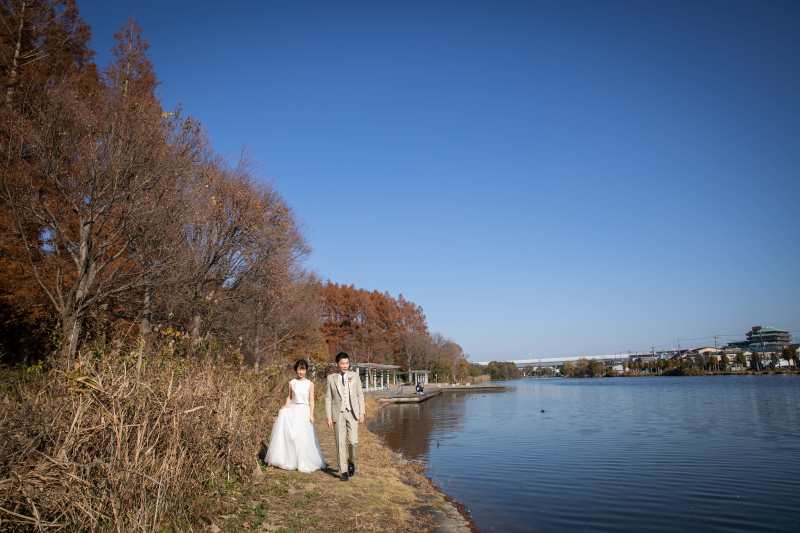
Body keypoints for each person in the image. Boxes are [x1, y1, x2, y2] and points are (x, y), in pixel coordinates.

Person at [266, 359, 325, 473]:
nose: (301, 372)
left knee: (302, 437)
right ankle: (291, 460)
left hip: (304, 411)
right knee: (292, 436)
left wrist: (311, 414)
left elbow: (312, 400)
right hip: (293, 409)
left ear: (306, 370)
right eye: (299, 369)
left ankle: (303, 461)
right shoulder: (291, 382)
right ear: (296, 370)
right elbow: (289, 397)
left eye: (303, 369)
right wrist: (285, 407)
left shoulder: (310, 384)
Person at [324, 352, 365, 481]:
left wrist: (362, 412)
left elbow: (360, 395)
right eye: (342, 363)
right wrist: (329, 416)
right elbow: (328, 398)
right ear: (337, 364)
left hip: (352, 413)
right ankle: (343, 471)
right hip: (338, 413)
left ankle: (351, 461)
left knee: (353, 442)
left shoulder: (355, 376)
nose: (345, 366)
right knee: (340, 443)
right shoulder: (331, 378)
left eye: (346, 363)